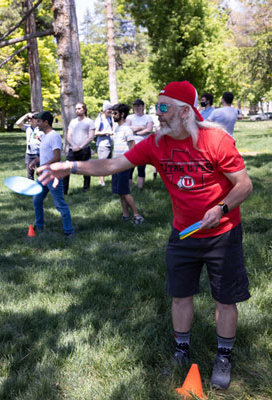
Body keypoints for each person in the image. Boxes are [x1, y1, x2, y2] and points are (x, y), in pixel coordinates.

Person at [37, 81, 253, 390]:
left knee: (225, 298)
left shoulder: (215, 141)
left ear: (184, 111)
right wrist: (70, 165)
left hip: (223, 233)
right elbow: (112, 164)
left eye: (164, 108)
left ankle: (223, 356)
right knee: (180, 295)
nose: (158, 114)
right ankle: (181, 352)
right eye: (157, 107)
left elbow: (244, 185)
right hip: (183, 233)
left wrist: (221, 208)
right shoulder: (156, 144)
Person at [29, 111, 74, 237]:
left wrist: (43, 166)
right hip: (44, 176)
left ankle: (69, 231)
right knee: (36, 200)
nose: (36, 124)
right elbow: (45, 155)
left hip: (53, 176)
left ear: (46, 122)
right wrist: (36, 160)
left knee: (60, 204)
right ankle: (39, 225)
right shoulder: (44, 136)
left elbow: (57, 156)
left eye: (38, 121)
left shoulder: (54, 136)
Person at [63, 102, 95, 194]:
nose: (77, 110)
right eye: (76, 109)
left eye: (79, 108)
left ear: (84, 109)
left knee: (86, 170)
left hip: (85, 150)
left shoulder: (89, 121)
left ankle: (86, 190)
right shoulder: (73, 122)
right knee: (66, 168)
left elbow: (91, 137)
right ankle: (64, 191)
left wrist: (80, 147)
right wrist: (74, 146)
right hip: (73, 149)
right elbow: (69, 136)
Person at [126, 99, 154, 188]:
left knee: (141, 168)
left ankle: (140, 188)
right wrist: (142, 127)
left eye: (138, 106)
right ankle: (128, 188)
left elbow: (149, 130)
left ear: (142, 107)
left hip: (143, 146)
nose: (136, 108)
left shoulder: (148, 117)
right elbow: (127, 129)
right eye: (135, 106)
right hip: (131, 145)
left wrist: (136, 132)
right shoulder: (130, 117)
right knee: (130, 167)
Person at [15, 111, 43, 180]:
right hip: (29, 154)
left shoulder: (41, 129)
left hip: (39, 154)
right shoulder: (27, 128)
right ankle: (32, 190)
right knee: (30, 175)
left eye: (31, 118)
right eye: (28, 118)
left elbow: (46, 142)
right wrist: (27, 114)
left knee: (41, 174)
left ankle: (42, 189)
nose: (29, 120)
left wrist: (40, 139)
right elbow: (18, 123)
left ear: (37, 120)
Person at [94, 100, 114, 187]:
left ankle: (105, 180)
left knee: (107, 163)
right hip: (102, 145)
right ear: (104, 110)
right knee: (102, 163)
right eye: (108, 109)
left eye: (111, 109)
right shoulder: (99, 119)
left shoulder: (109, 118)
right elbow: (96, 132)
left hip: (109, 144)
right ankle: (101, 182)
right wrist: (107, 132)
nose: (110, 111)